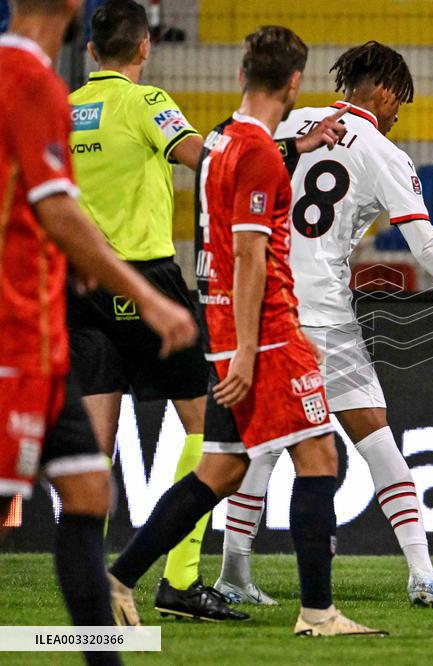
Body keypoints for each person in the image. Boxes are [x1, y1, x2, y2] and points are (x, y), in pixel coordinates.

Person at [213, 40, 433, 609]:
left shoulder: (295, 121)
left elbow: (222, 153)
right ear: (381, 90)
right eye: (398, 104)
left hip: (264, 301)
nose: (396, 116)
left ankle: (234, 574)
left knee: (262, 441)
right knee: (377, 438)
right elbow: (426, 246)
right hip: (324, 314)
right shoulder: (384, 153)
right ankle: (422, 575)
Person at [106, 25, 383, 637]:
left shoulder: (221, 142)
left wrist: (233, 344)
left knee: (221, 471)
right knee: (319, 458)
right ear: (293, 84)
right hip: (268, 333)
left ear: (240, 77)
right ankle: (318, 613)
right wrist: (253, 353)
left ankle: (120, 576)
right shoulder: (256, 152)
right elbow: (252, 253)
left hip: (224, 323)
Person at [0, 0, 198, 661]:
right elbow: (56, 207)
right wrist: (151, 298)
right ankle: (183, 576)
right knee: (212, 430)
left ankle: (103, 643)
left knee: (88, 484)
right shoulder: (31, 81)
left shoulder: (65, 94)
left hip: (62, 310)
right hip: (46, 316)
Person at [66, 0, 242, 621]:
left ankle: (93, 590)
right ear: (144, 49)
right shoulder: (146, 102)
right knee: (211, 430)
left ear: (90, 52)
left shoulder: (66, 110)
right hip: (146, 280)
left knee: (95, 447)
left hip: (78, 283)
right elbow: (203, 155)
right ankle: (179, 580)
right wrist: (278, 145)